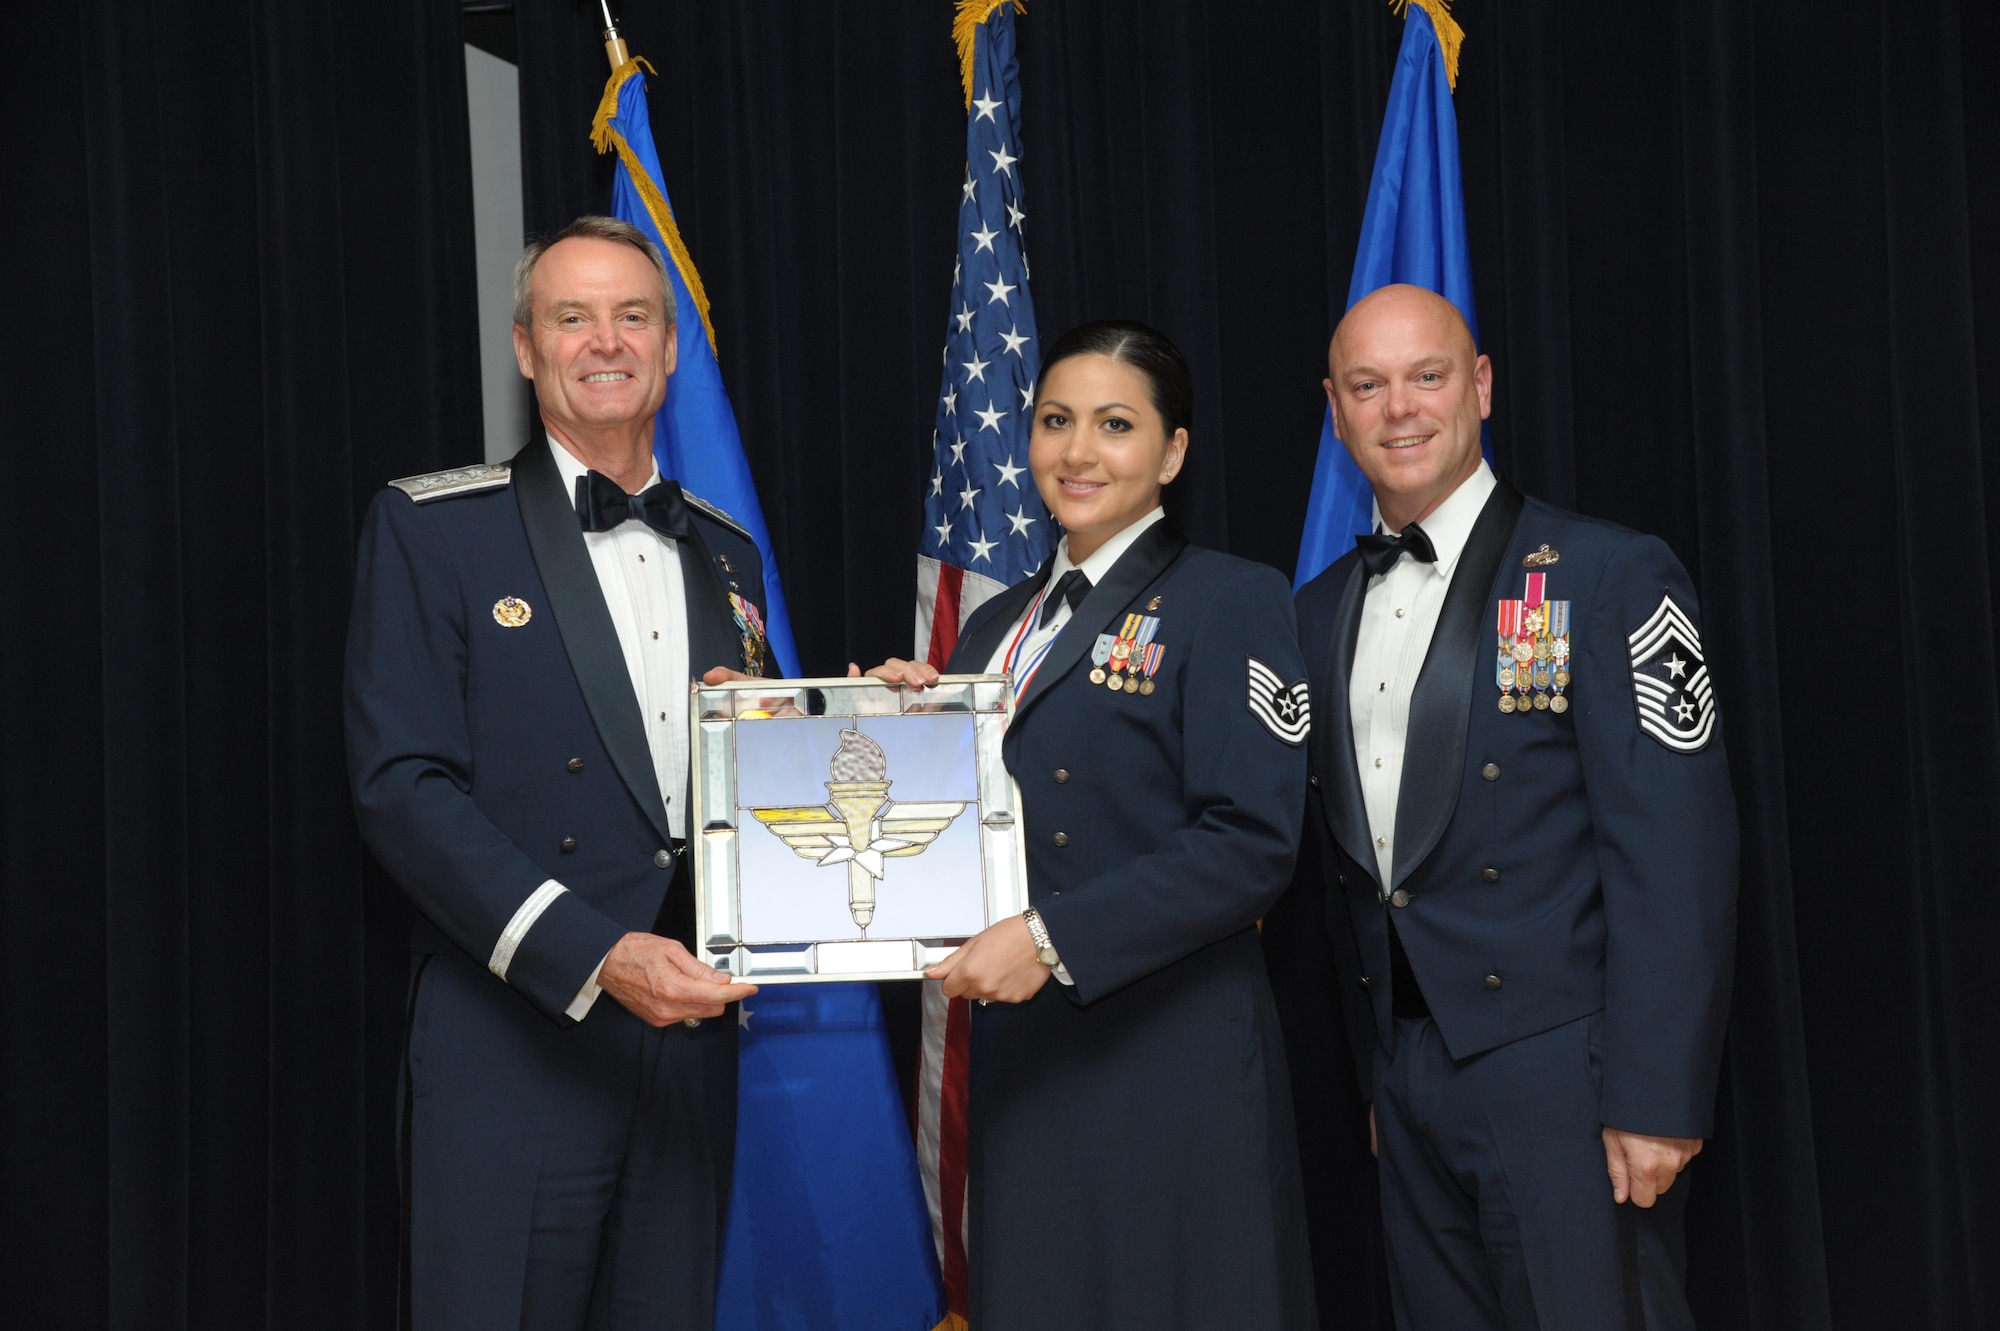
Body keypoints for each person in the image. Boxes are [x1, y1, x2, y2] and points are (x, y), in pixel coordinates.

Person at [1288, 283, 1737, 1329]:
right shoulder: (1313, 611)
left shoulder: (1608, 572)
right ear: (1334, 407)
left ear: (1479, 385)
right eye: (1367, 385)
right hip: (1403, 1076)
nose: (1397, 407)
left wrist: (1656, 1095)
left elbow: (1674, 851)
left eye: (1425, 376)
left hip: (1566, 1072)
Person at [344, 215, 763, 1330]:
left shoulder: (727, 550)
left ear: (671, 349)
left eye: (633, 315)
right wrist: (596, 953)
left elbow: (745, 783)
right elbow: (403, 786)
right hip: (515, 1035)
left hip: (685, 1049)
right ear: (525, 348)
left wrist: (883, 715)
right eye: (571, 317)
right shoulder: (432, 527)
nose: (605, 340)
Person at [868, 320, 1319, 1330]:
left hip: (1170, 1056)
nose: (1076, 451)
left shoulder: (1228, 599)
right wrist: (895, 730)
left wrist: (1048, 938)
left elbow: (1251, 841)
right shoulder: (993, 627)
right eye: (1054, 420)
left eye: (1114, 424)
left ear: (1170, 451)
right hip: (1030, 1068)